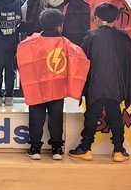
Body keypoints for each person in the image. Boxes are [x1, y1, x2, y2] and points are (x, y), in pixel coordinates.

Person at [16, 9, 89, 161]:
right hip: (58, 88)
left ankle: (35, 148)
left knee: (36, 117)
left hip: (37, 88)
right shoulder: (67, 44)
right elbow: (80, 59)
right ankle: (57, 148)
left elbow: (19, 61)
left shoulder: (29, 43)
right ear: (60, 26)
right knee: (56, 117)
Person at [69, 2, 131, 162]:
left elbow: (82, 60)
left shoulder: (91, 36)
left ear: (96, 19)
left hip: (95, 84)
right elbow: (130, 62)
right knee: (115, 116)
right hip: (116, 85)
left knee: (91, 116)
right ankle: (119, 150)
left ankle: (85, 148)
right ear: (116, 19)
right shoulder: (123, 37)